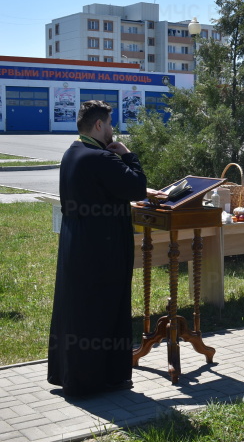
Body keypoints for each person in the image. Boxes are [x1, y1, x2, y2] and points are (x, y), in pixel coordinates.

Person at [48, 100, 149, 397]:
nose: (113, 130)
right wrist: (129, 156)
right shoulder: (102, 158)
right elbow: (137, 187)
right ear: (99, 125)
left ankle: (72, 375)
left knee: (79, 311)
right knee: (104, 309)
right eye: (110, 124)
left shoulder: (73, 152)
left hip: (77, 244)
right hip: (102, 250)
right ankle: (98, 380)